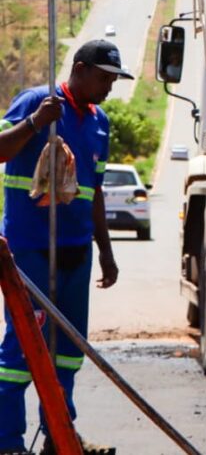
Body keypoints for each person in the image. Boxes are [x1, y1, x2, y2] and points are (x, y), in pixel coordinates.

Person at [0, 40, 132, 455]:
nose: (109, 86)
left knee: (68, 354)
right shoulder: (38, 102)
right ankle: (7, 442)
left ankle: (61, 435)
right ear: (79, 69)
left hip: (77, 250)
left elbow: (93, 193)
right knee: (23, 349)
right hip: (31, 251)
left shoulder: (100, 122)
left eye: (113, 80)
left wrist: (106, 250)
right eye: (103, 77)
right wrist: (36, 124)